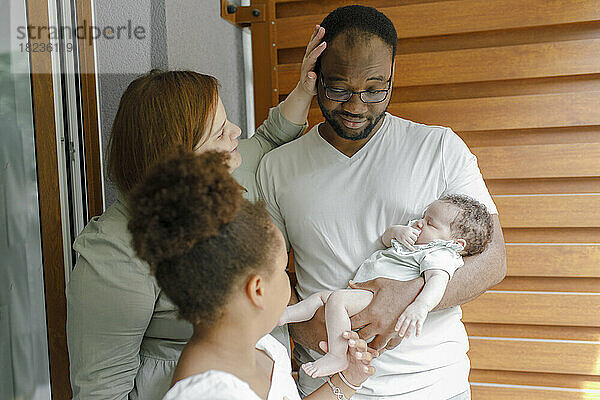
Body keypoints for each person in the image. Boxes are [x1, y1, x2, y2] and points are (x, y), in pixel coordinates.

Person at [257, 5, 506, 399]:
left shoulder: (439, 148)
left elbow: (493, 260)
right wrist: (305, 326)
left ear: (392, 75)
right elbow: (268, 273)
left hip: (433, 384)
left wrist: (403, 300)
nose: (356, 106)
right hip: (328, 384)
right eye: (338, 88)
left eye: (375, 89)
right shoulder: (276, 167)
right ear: (314, 75)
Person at [66, 26, 327, 400]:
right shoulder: (115, 254)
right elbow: (101, 392)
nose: (237, 132)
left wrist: (305, 86)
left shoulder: (228, 170)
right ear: (180, 159)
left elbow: (268, 138)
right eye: (221, 132)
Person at [126, 150, 379, 400]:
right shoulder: (208, 394)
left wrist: (347, 380)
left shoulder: (264, 349)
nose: (288, 278)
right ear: (257, 290)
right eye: (283, 270)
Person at [278, 195, 493, 379]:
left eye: (430, 223)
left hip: (377, 300)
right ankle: (285, 316)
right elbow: (385, 238)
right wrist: (396, 232)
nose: (419, 223)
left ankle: (336, 356)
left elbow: (438, 281)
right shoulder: (416, 239)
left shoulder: (440, 254)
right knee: (321, 298)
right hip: (365, 292)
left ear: (455, 244)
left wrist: (421, 306)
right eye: (424, 216)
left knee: (336, 301)